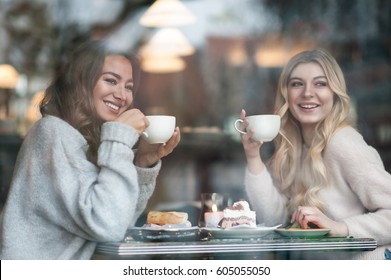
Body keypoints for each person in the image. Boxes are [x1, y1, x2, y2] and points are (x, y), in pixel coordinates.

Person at [0, 40, 180, 259]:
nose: (122, 96)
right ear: (81, 82)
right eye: (111, 81)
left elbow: (119, 220)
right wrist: (119, 140)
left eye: (129, 87)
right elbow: (107, 224)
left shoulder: (81, 140)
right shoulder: (51, 133)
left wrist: (141, 162)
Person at [239, 49, 391, 259]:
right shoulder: (294, 147)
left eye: (320, 83)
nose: (307, 93)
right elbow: (274, 218)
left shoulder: (344, 143)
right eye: (297, 84)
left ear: (334, 93)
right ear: (286, 94)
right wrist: (253, 156)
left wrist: (341, 227)